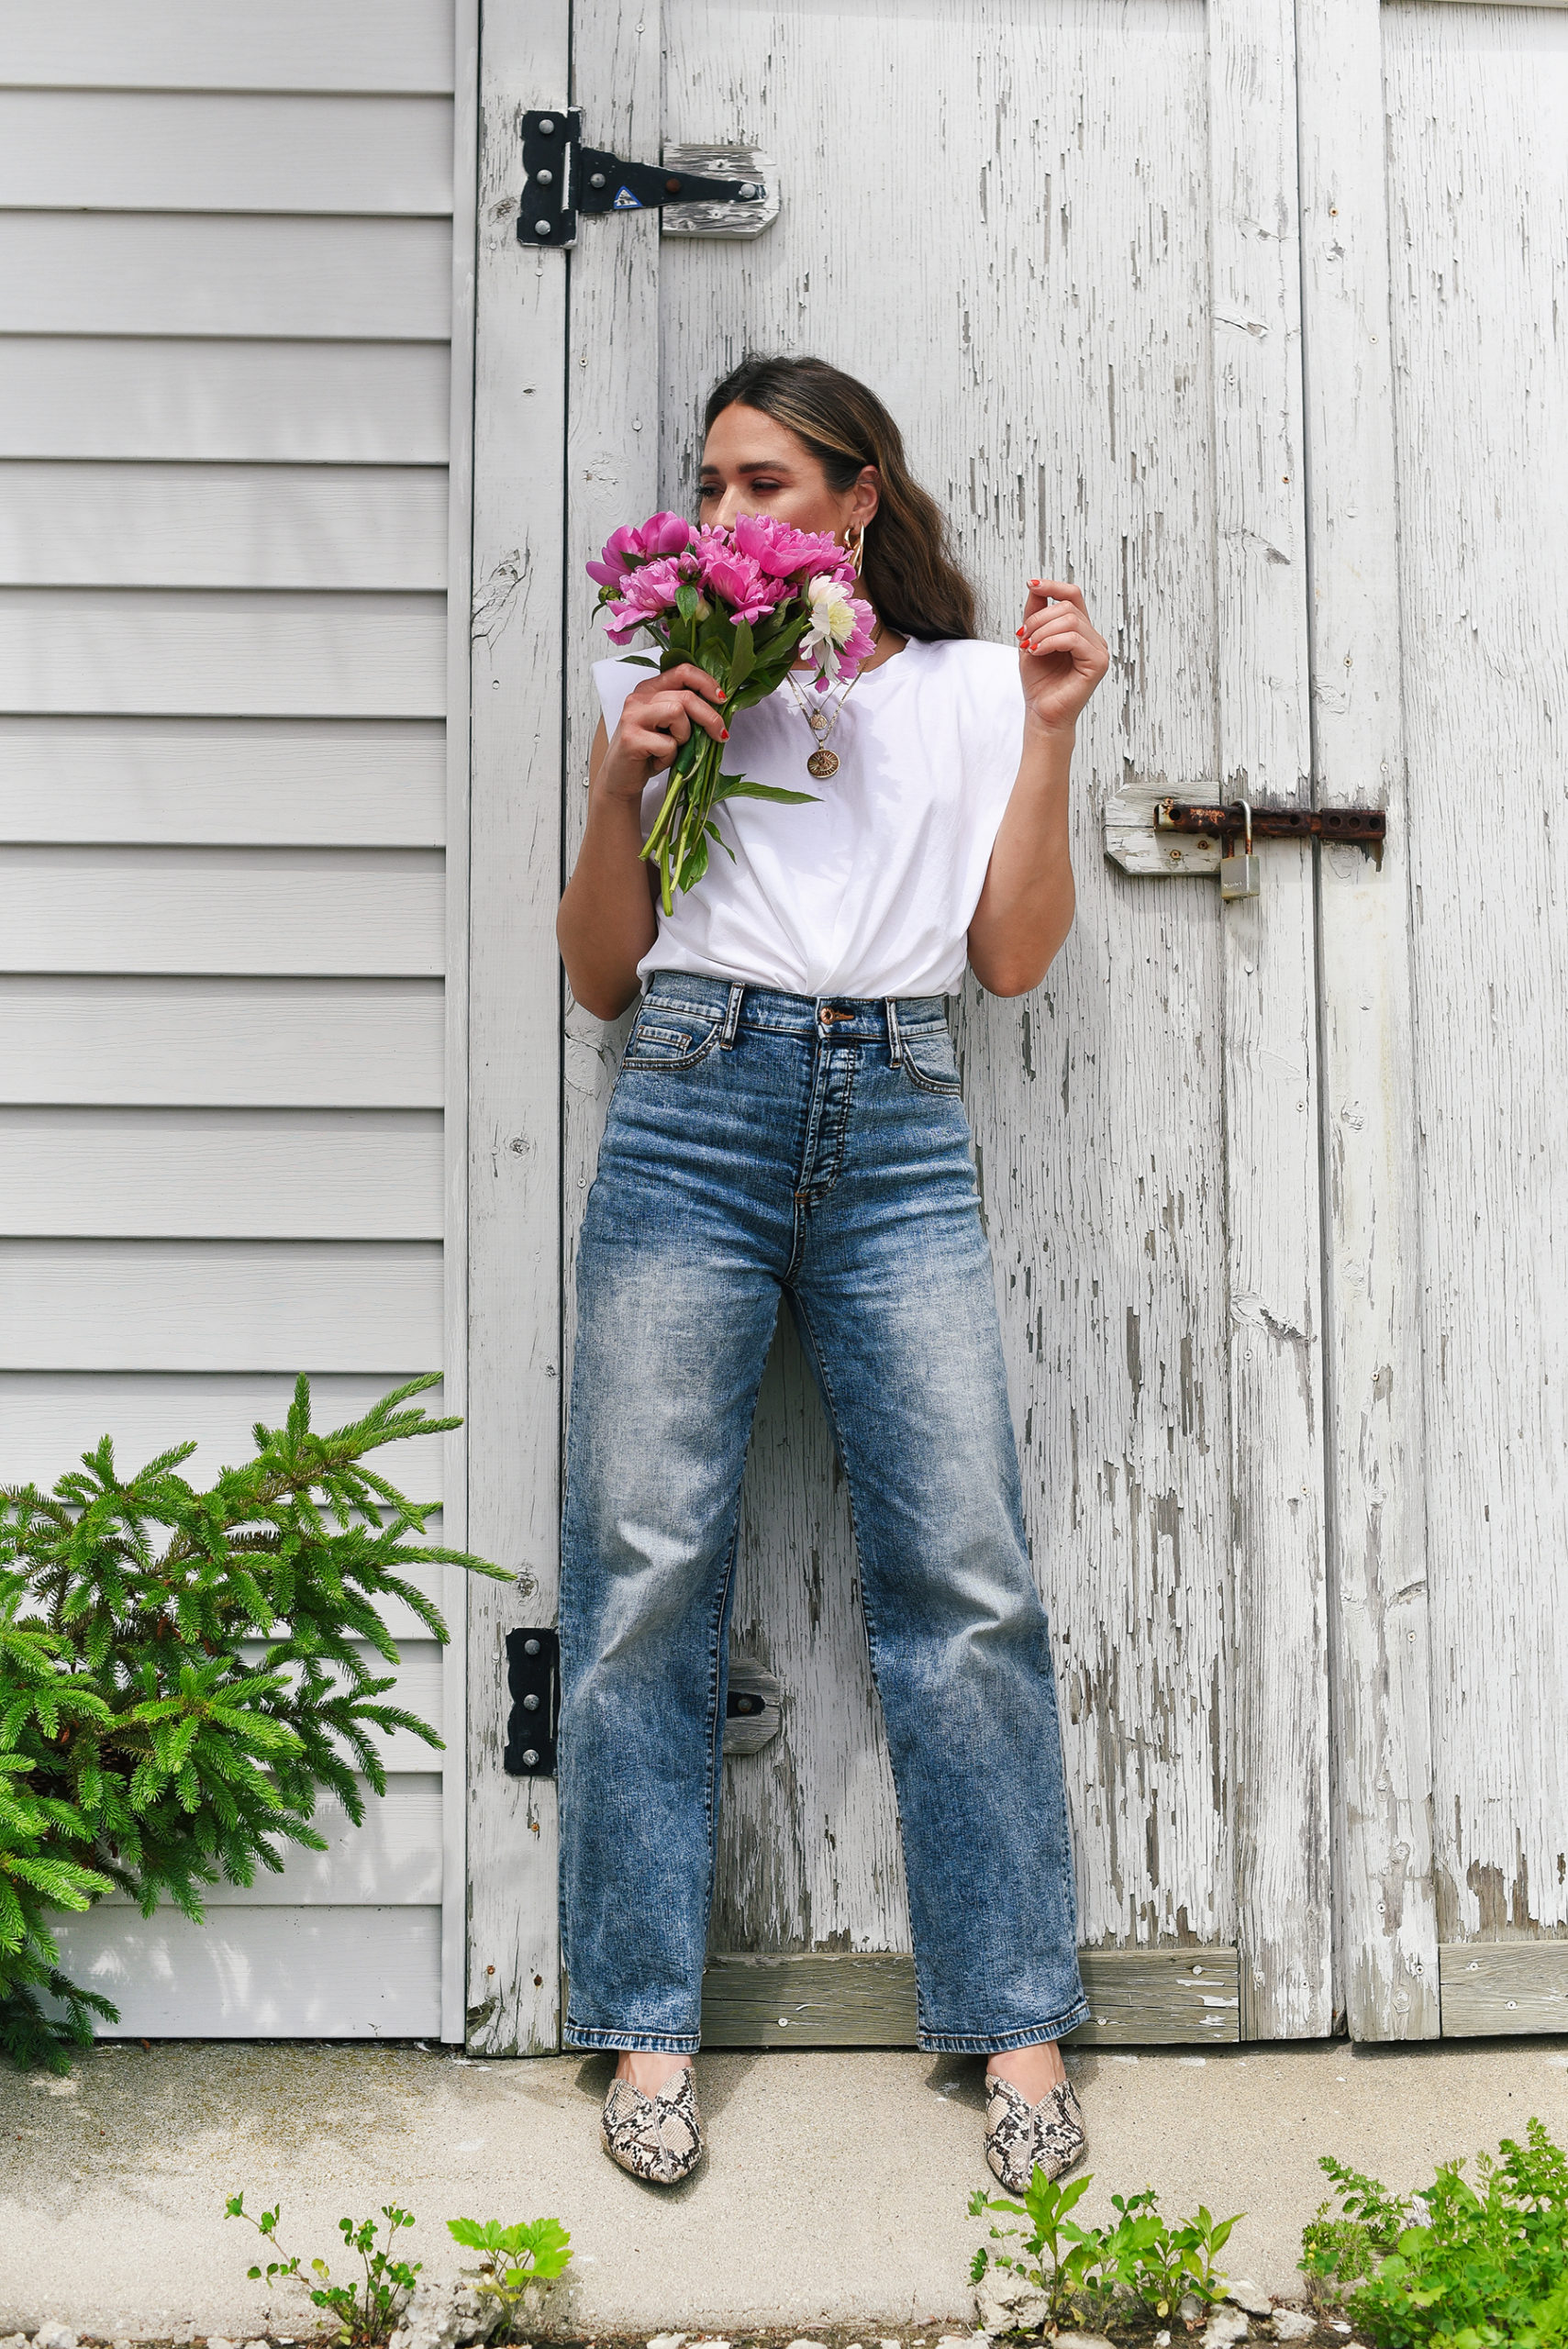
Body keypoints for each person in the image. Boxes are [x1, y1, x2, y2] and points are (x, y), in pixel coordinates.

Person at [555, 354, 1110, 2187]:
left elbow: (1013, 958)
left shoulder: (961, 689)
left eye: (771, 483)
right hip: (695, 1098)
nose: (732, 517)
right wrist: (616, 782)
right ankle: (641, 2028)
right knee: (645, 1577)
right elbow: (600, 973)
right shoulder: (673, 674)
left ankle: (1016, 2030)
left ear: (861, 499)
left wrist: (1047, 731)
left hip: (894, 1111)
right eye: (712, 484)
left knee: (963, 1574)